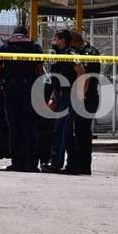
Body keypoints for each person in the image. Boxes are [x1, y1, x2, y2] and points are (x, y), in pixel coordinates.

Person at [0, 25, 44, 172]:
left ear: (14, 34)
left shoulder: (4, 48)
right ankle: (31, 165)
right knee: (30, 127)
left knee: (14, 128)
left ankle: (17, 163)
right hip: (29, 90)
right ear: (26, 34)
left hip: (11, 90)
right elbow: (40, 71)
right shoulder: (34, 47)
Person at [42, 29, 84, 173]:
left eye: (55, 38)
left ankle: (56, 163)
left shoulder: (70, 55)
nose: (53, 41)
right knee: (65, 131)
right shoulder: (56, 56)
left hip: (70, 94)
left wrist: (79, 93)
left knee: (61, 129)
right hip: (60, 94)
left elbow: (81, 72)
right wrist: (54, 97)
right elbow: (56, 79)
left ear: (62, 40)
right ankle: (73, 165)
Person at [67, 32, 100, 175]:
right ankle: (82, 166)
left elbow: (85, 76)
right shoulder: (93, 51)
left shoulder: (83, 53)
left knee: (81, 132)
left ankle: (78, 166)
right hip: (90, 95)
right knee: (83, 132)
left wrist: (81, 94)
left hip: (85, 95)